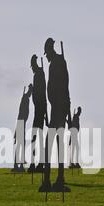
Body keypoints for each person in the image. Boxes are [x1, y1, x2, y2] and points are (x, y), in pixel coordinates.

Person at [39, 38, 72, 193]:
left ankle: (55, 180)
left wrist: (63, 107)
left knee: (53, 144)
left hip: (59, 109)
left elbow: (64, 86)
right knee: (54, 144)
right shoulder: (57, 63)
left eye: (47, 54)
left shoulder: (57, 63)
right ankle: (52, 180)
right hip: (57, 109)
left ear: (51, 50)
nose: (46, 57)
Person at [28, 54, 48, 174]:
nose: (32, 69)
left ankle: (39, 163)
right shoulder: (37, 74)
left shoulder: (39, 74)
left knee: (37, 137)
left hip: (40, 110)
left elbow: (42, 93)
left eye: (32, 66)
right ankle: (35, 163)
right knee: (36, 137)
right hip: (38, 110)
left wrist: (45, 113)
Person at [12, 85, 32, 173]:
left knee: (21, 144)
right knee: (21, 144)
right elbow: (22, 112)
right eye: (31, 91)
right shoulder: (25, 98)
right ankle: (18, 165)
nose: (31, 93)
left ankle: (18, 165)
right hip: (21, 122)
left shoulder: (26, 98)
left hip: (21, 123)